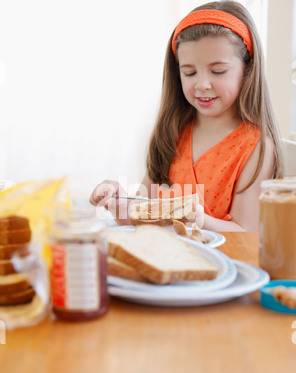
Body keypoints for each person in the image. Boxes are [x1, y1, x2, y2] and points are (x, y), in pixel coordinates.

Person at [90, 0, 283, 232]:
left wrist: (195, 218)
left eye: (218, 71)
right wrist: (120, 204)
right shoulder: (171, 131)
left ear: (248, 69)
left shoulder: (256, 147)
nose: (202, 84)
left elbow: (247, 233)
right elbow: (140, 217)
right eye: (189, 72)